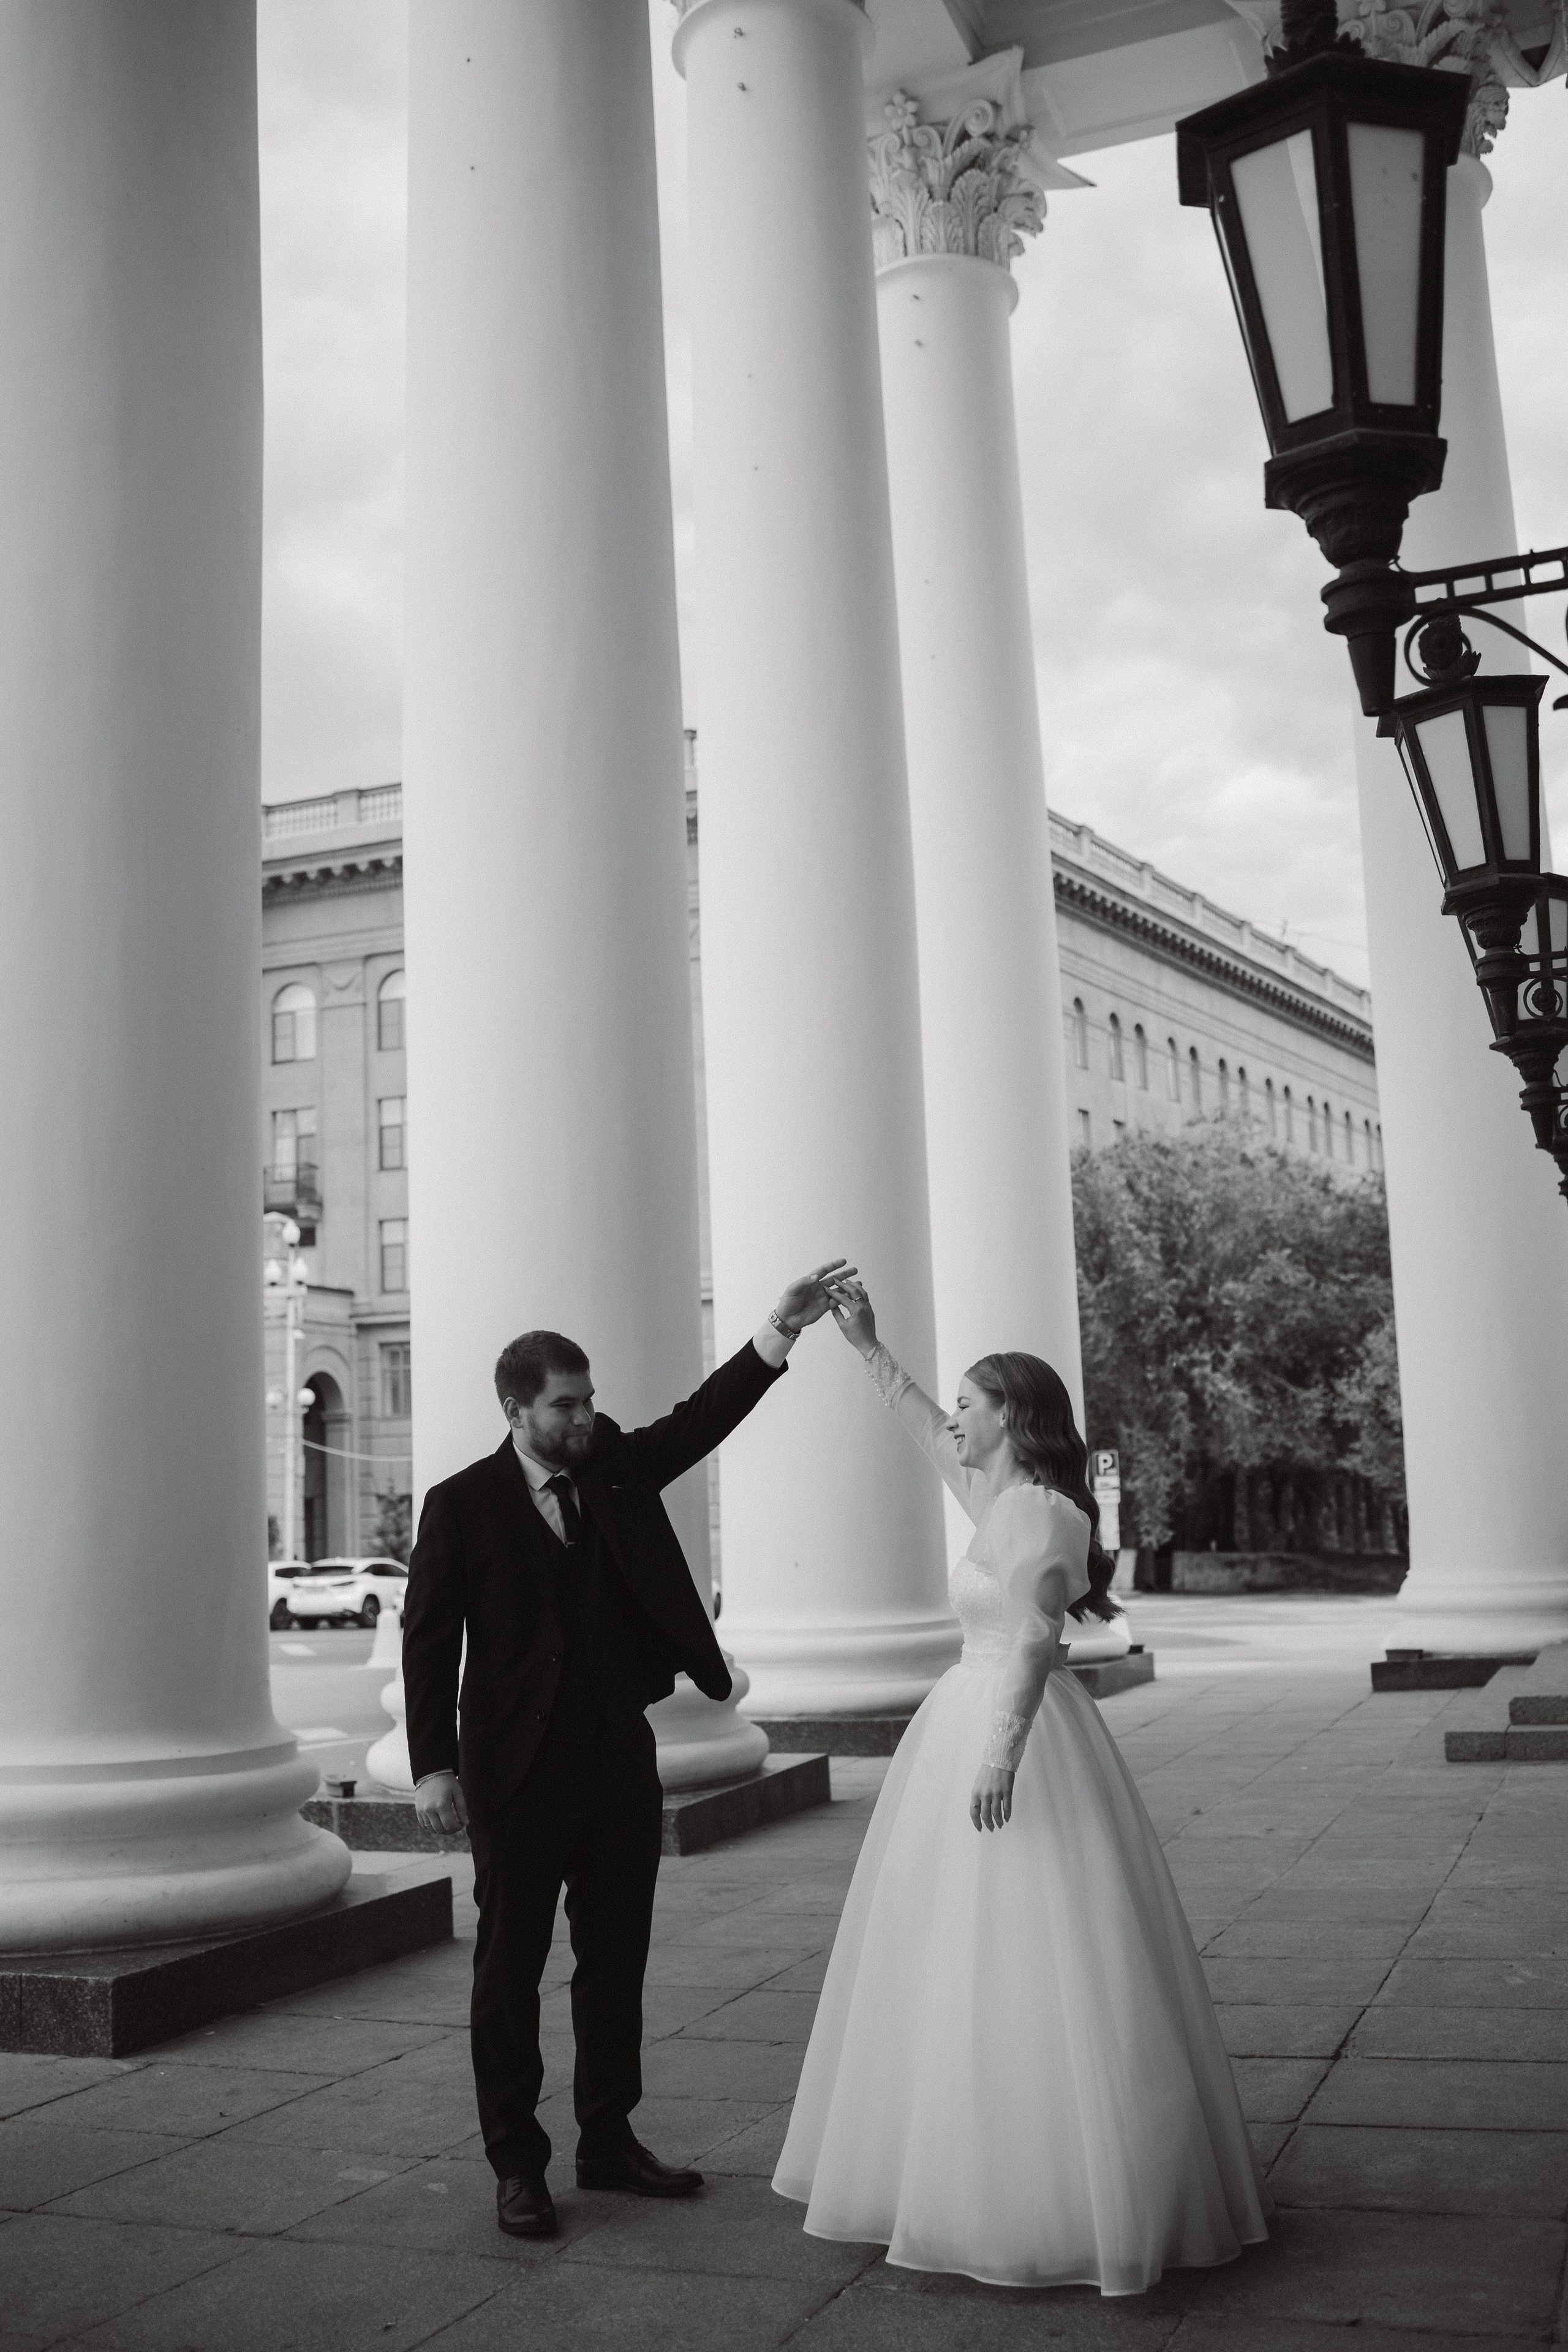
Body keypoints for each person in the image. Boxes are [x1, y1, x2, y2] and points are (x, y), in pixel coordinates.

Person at [773, 1277, 1271, 2294]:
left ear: (1013, 1416)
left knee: (1042, 1952)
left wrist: (1000, 1755)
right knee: (952, 1948)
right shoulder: (1000, 1499)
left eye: (970, 1400)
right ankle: (962, 2165)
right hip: (964, 1722)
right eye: (956, 1400)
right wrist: (868, 1347)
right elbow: (922, 1434)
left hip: (1013, 1734)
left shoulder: (1040, 1512)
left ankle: (1063, 2186)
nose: (954, 1414)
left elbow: (1039, 1640)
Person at [402, 1261, 853, 2241]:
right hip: (514, 1778)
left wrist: (779, 1330)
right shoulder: (461, 1504)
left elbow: (698, 1423)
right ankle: (517, 2164)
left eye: (590, 1398)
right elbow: (430, 1642)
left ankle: (608, 2141)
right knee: (508, 1971)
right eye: (567, 1404)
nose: (585, 1415)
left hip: (616, 1759)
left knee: (615, 1963)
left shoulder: (609, 1465)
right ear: (515, 1409)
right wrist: (432, 1765)